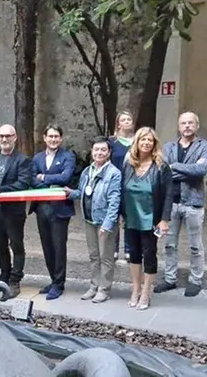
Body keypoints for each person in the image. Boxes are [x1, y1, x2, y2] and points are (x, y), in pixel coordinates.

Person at [156, 111, 207, 297]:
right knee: (170, 244)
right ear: (179, 126)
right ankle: (170, 279)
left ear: (196, 125)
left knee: (195, 245)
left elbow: (200, 170)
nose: (187, 126)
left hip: (193, 203)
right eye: (183, 123)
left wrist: (175, 167)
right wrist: (184, 171)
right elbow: (163, 171)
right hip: (170, 203)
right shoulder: (168, 147)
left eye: (190, 123)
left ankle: (196, 280)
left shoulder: (205, 146)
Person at [64, 137, 122, 303]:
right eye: (96, 149)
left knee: (106, 257)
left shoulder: (114, 174)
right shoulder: (87, 171)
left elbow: (114, 201)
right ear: (92, 151)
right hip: (89, 219)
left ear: (109, 152)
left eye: (103, 150)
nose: (99, 153)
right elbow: (83, 192)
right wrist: (71, 193)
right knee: (94, 256)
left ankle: (104, 289)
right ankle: (93, 286)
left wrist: (108, 224)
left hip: (105, 222)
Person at [121, 127, 172, 311]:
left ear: (154, 143)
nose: (146, 143)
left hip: (151, 219)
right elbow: (121, 189)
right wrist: (121, 214)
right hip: (131, 217)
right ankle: (135, 289)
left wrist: (165, 219)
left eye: (150, 140)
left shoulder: (161, 166)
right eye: (143, 139)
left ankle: (146, 292)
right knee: (133, 255)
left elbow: (168, 195)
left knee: (149, 255)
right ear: (137, 142)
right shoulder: (128, 164)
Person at [0, 124, 32, 299]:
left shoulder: (22, 159)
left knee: (16, 245)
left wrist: (0, 189)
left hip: (13, 211)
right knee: (0, 245)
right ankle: (4, 276)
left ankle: (15, 280)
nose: (4, 139)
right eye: (1, 136)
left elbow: (23, 183)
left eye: (8, 136)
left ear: (15, 137)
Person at [29, 124, 76, 300]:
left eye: (56, 136)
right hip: (41, 208)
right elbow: (33, 180)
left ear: (61, 138)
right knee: (47, 246)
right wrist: (50, 183)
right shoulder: (37, 158)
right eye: (50, 136)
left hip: (60, 209)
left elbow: (66, 177)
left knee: (58, 247)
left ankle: (59, 284)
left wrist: (44, 177)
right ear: (44, 138)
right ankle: (52, 279)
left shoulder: (68, 156)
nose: (53, 139)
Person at [110, 111, 135, 261]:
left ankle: (128, 248)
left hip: (131, 184)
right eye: (123, 120)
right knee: (113, 216)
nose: (126, 122)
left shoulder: (137, 141)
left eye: (129, 119)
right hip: (114, 183)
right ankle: (113, 248)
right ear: (118, 123)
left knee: (129, 217)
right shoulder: (112, 142)